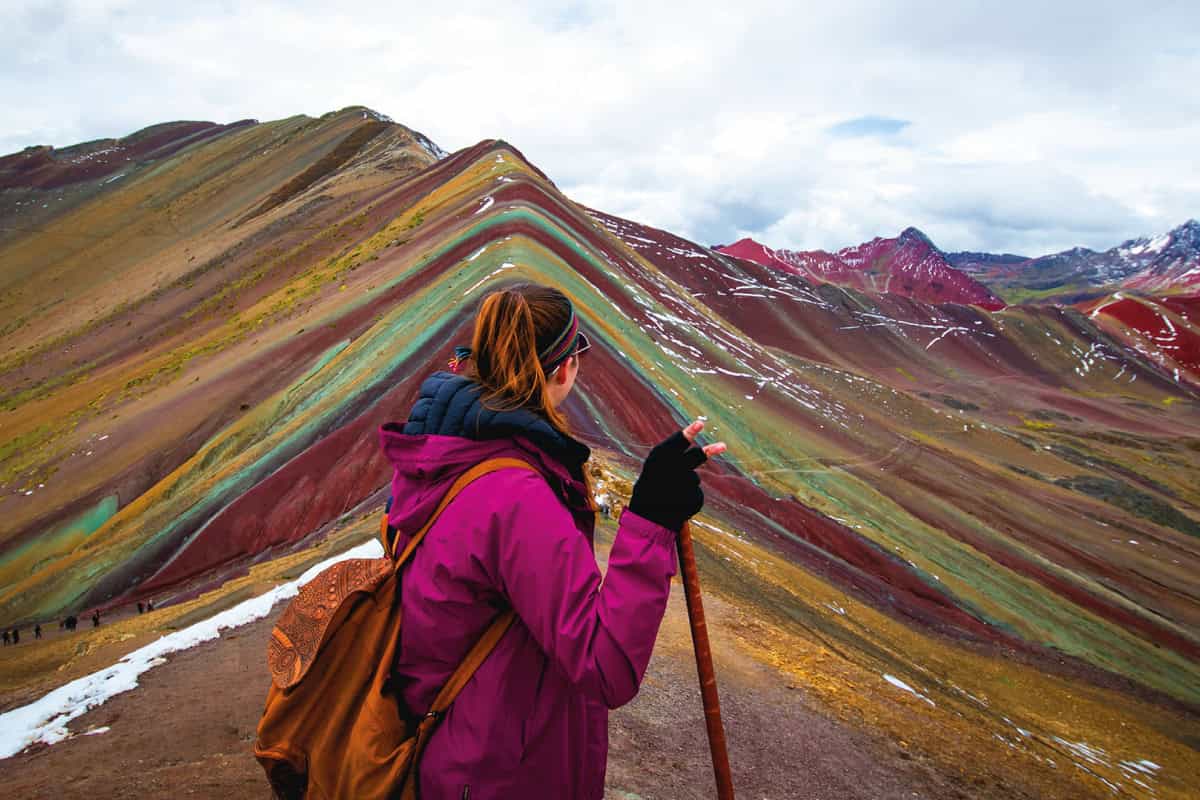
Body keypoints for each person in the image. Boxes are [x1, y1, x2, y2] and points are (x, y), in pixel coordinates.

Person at [379, 283, 726, 800]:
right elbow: (606, 665)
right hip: (503, 773)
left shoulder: (440, 455)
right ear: (564, 368)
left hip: (455, 754)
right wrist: (651, 517)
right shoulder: (515, 496)